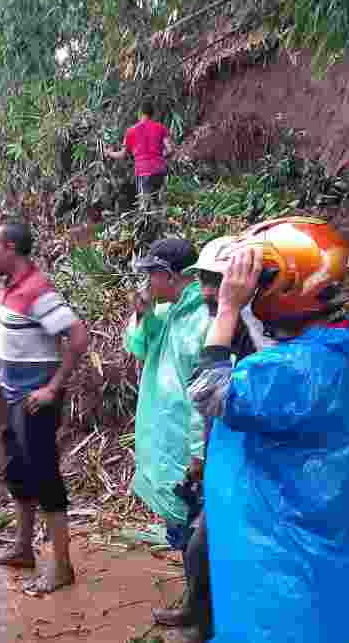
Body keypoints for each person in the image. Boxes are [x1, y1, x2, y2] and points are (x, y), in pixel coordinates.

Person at [188, 217, 349, 642]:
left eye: (261, 282)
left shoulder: (292, 371)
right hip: (319, 552)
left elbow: (208, 390)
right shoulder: (336, 355)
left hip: (280, 566)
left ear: (284, 287)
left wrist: (227, 308)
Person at [150, 236, 277, 641]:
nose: (209, 290)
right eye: (204, 279)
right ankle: (199, 618)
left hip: (252, 465)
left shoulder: (256, 334)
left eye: (218, 281)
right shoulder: (222, 326)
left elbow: (206, 393)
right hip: (221, 455)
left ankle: (209, 625)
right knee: (199, 548)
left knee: (214, 551)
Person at [0, 222, 89, 594]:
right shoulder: (8, 288)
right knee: (18, 472)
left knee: (45, 477)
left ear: (10, 248)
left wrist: (52, 388)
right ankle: (23, 548)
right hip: (13, 398)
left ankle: (62, 567)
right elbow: (10, 344)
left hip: (35, 402)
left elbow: (78, 336)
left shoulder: (36, 290)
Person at [123, 238, 212, 636]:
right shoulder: (171, 310)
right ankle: (193, 605)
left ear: (171, 276)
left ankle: (204, 615)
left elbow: (202, 394)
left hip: (187, 442)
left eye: (151, 275)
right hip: (166, 436)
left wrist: (198, 452)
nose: (146, 282)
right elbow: (138, 349)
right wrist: (142, 316)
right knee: (183, 530)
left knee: (200, 535)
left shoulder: (200, 319)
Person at [105, 100, 175, 209]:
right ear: (152, 114)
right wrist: (159, 155)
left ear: (140, 113)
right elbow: (170, 150)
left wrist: (109, 153)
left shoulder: (130, 131)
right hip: (159, 170)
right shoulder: (161, 128)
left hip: (143, 171)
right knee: (159, 203)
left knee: (145, 207)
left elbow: (122, 155)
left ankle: (148, 223)